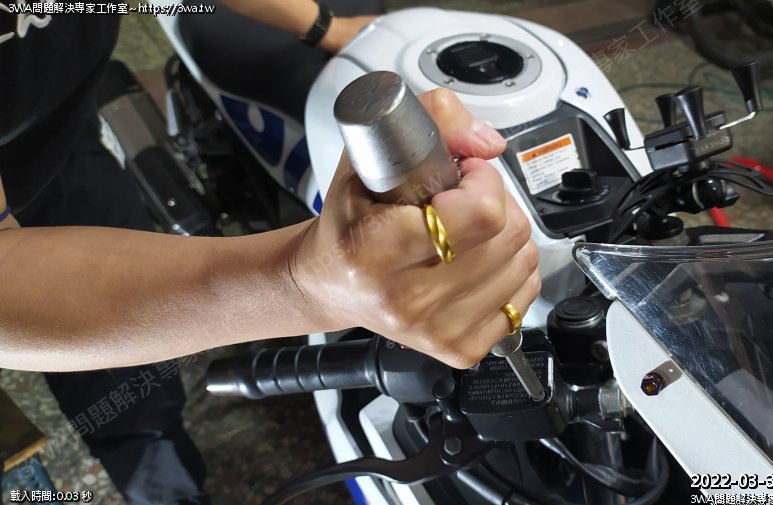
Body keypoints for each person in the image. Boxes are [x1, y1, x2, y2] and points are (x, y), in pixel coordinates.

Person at [0, 0, 540, 503]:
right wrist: (300, 284)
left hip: (66, 136)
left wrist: (324, 26)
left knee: (141, 385)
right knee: (113, 393)